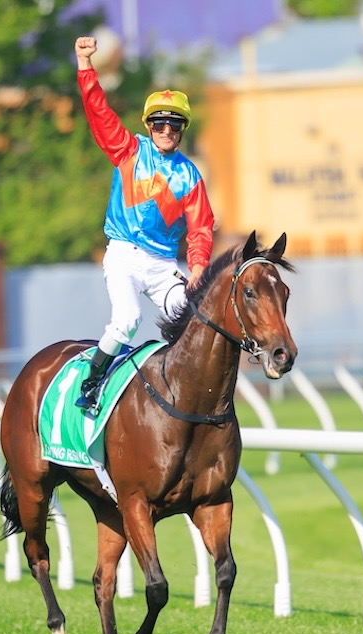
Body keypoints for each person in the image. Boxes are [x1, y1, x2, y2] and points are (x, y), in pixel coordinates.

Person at [72, 35, 216, 413]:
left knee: (193, 317)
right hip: (123, 257)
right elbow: (99, 113)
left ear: (181, 129)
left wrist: (198, 265)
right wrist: (85, 66)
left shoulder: (190, 176)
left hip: (164, 265)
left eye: (173, 125)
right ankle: (91, 383)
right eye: (159, 124)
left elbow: (202, 227)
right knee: (128, 319)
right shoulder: (128, 150)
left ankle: (186, 396)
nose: (165, 131)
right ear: (149, 126)